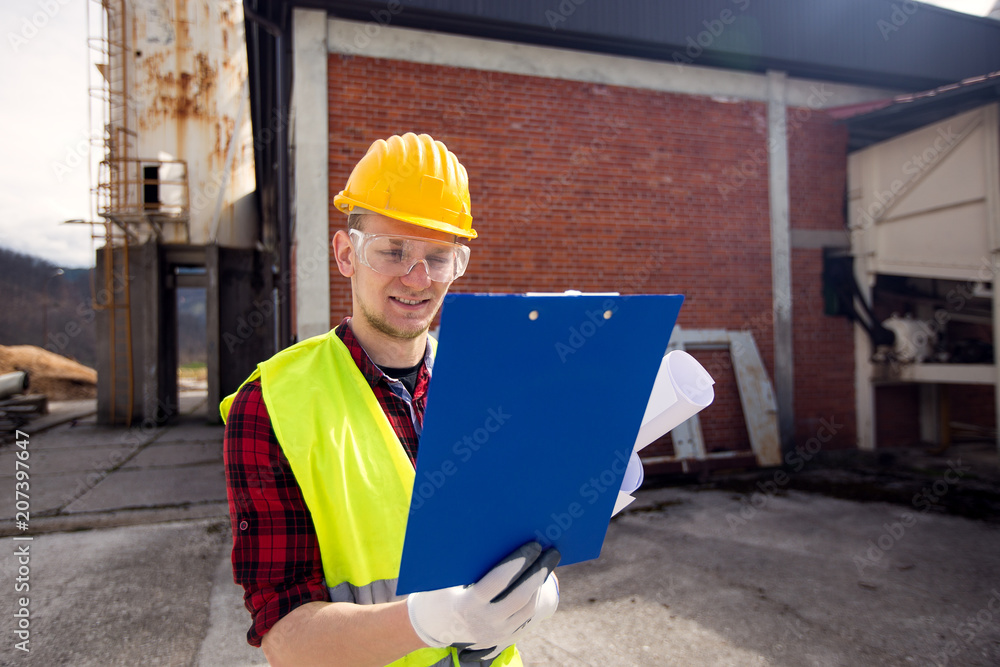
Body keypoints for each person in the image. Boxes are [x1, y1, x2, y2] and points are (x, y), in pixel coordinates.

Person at [221, 132, 560, 667]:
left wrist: (529, 586)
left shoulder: (487, 387)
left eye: (438, 256)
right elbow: (285, 638)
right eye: (393, 251)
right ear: (345, 254)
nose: (417, 278)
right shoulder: (272, 406)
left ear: (460, 264)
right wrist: (431, 622)